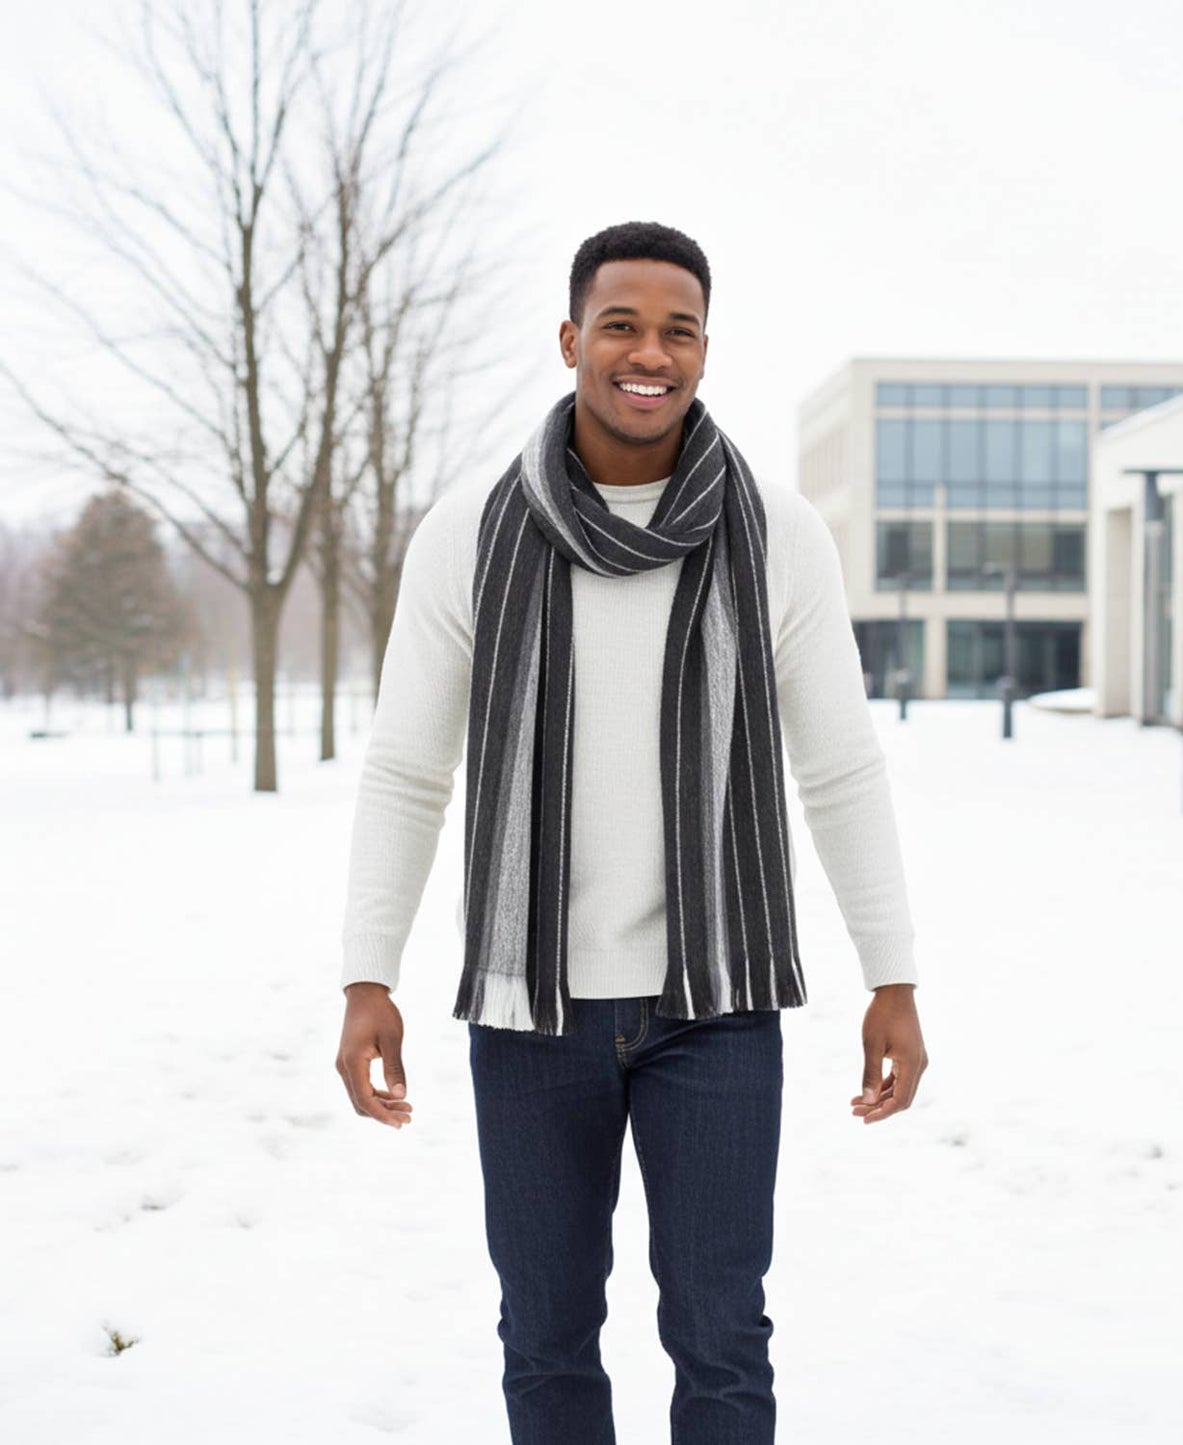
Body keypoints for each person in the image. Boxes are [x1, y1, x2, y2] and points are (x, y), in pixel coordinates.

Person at [335, 220, 927, 1445]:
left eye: (677, 330)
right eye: (620, 324)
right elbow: (404, 770)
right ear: (570, 340)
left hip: (714, 1004)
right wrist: (364, 975)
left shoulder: (776, 531)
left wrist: (894, 974)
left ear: (704, 349)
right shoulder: (469, 529)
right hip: (530, 1010)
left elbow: (838, 765)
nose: (648, 352)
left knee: (721, 1337)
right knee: (544, 1335)